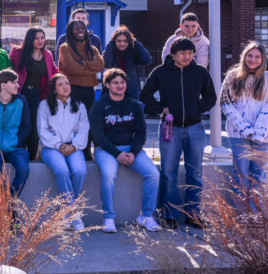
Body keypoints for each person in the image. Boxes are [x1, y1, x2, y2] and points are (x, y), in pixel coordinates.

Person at [141, 37, 216, 229]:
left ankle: (193, 214)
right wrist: (160, 109)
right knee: (168, 172)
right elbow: (146, 94)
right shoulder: (161, 72)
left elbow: (211, 96)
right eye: (183, 53)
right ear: (173, 54)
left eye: (190, 53)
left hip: (195, 128)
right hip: (170, 129)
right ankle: (168, 215)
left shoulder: (200, 72)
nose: (187, 56)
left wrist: (197, 109)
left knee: (195, 172)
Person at [90, 68, 160, 233]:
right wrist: (117, 154)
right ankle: (108, 217)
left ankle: (146, 216)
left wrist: (133, 152)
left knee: (153, 174)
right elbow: (98, 136)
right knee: (108, 175)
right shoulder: (99, 106)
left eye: (122, 82)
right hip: (107, 150)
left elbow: (141, 133)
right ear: (107, 85)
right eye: (115, 82)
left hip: (130, 149)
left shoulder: (134, 105)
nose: (119, 86)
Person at [220, 42, 268, 214]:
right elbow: (226, 104)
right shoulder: (233, 77)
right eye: (250, 55)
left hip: (263, 136)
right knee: (241, 173)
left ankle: (256, 215)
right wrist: (246, 129)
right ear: (244, 56)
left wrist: (258, 131)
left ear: (262, 59)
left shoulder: (267, 78)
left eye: (257, 57)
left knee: (259, 176)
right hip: (237, 134)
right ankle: (241, 214)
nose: (253, 59)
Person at [37, 73, 89, 230]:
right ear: (54, 89)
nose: (65, 86)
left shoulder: (79, 105)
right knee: (62, 171)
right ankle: (73, 213)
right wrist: (58, 145)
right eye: (61, 84)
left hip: (73, 147)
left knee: (80, 171)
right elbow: (42, 130)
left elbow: (84, 129)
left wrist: (74, 146)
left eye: (67, 83)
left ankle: (65, 214)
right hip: (51, 148)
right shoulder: (44, 105)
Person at [9, 26, 59, 159]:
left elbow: (55, 72)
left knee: (35, 125)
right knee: (20, 124)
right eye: (36, 38)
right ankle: (18, 152)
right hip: (20, 93)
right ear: (30, 39)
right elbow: (8, 72)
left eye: (42, 38)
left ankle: (32, 155)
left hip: (38, 94)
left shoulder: (47, 55)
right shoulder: (17, 52)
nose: (40, 41)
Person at [58, 20, 104, 159]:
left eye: (82, 27)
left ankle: (86, 151)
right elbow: (71, 68)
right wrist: (90, 68)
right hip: (73, 90)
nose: (80, 30)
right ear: (70, 31)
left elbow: (100, 65)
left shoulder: (93, 49)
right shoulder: (65, 48)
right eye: (76, 28)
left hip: (89, 90)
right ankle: (73, 150)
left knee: (88, 121)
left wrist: (83, 63)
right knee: (74, 122)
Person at [102, 26, 152, 100]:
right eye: (119, 41)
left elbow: (147, 60)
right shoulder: (111, 50)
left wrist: (136, 43)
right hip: (111, 91)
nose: (122, 44)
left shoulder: (133, 51)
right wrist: (110, 44)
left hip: (131, 91)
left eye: (125, 41)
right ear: (114, 41)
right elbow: (107, 63)